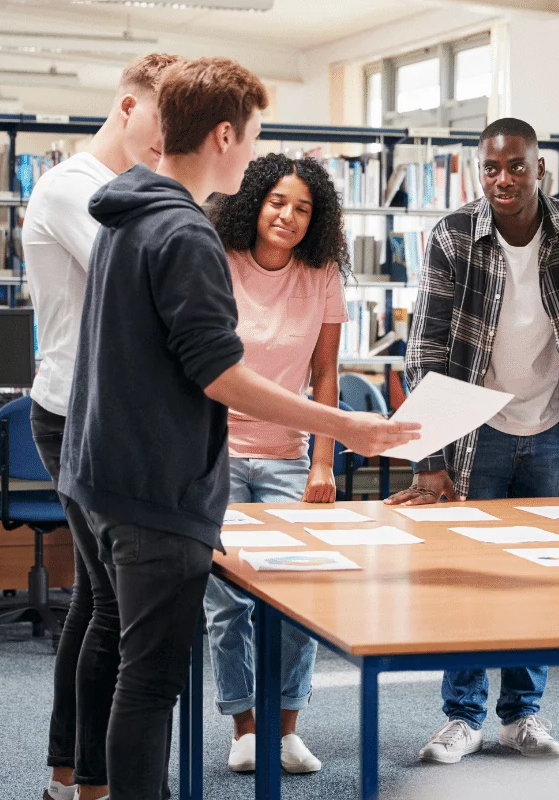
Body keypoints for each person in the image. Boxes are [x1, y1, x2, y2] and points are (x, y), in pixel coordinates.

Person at [57, 57, 419, 799]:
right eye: (253, 136)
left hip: (102, 476)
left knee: (137, 669)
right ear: (224, 135)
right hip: (154, 489)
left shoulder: (130, 214)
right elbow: (219, 374)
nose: (254, 151)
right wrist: (343, 425)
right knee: (151, 681)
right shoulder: (184, 234)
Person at [388, 116, 559, 765]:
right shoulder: (453, 235)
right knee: (467, 579)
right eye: (491, 167)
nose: (502, 179)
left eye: (516, 166)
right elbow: (426, 347)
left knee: (534, 578)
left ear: (539, 169)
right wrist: (433, 455)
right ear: (479, 169)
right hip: (476, 430)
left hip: (553, 428)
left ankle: (521, 715)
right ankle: (462, 717)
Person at [23, 52, 183, 800]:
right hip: (73, 414)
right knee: (112, 606)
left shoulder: (128, 188)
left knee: (95, 600)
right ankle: (87, 781)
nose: (167, 139)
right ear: (126, 107)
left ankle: (68, 772)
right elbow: (145, 280)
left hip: (101, 412)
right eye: (161, 121)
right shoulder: (74, 189)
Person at [201, 153, 350, 775]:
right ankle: (243, 725)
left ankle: (286, 729)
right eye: (277, 202)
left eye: (303, 208)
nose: (288, 216)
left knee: (299, 599)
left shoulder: (322, 273)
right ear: (255, 202)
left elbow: (325, 376)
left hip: (291, 458)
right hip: (219, 456)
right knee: (227, 602)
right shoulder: (218, 260)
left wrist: (324, 462)